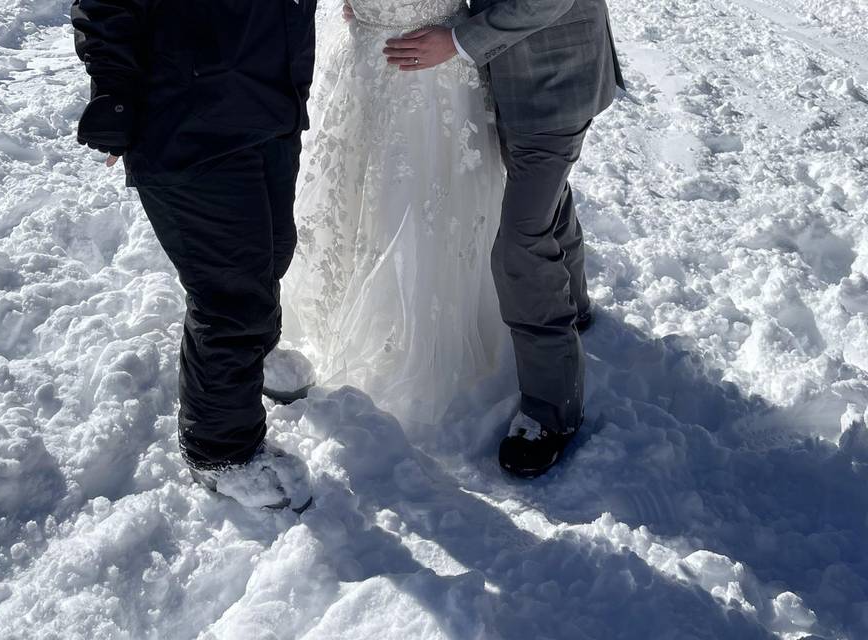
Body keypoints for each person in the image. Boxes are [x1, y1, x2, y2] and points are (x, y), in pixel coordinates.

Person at [291, 0, 624, 478]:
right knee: (542, 198)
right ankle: (573, 300)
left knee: (521, 242)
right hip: (478, 76)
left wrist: (458, 41)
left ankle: (553, 410)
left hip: (550, 77)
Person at [70, 0, 318, 511]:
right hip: (186, 120)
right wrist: (115, 95)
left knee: (271, 251)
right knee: (231, 293)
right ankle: (220, 450)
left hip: (269, 98)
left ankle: (251, 358)